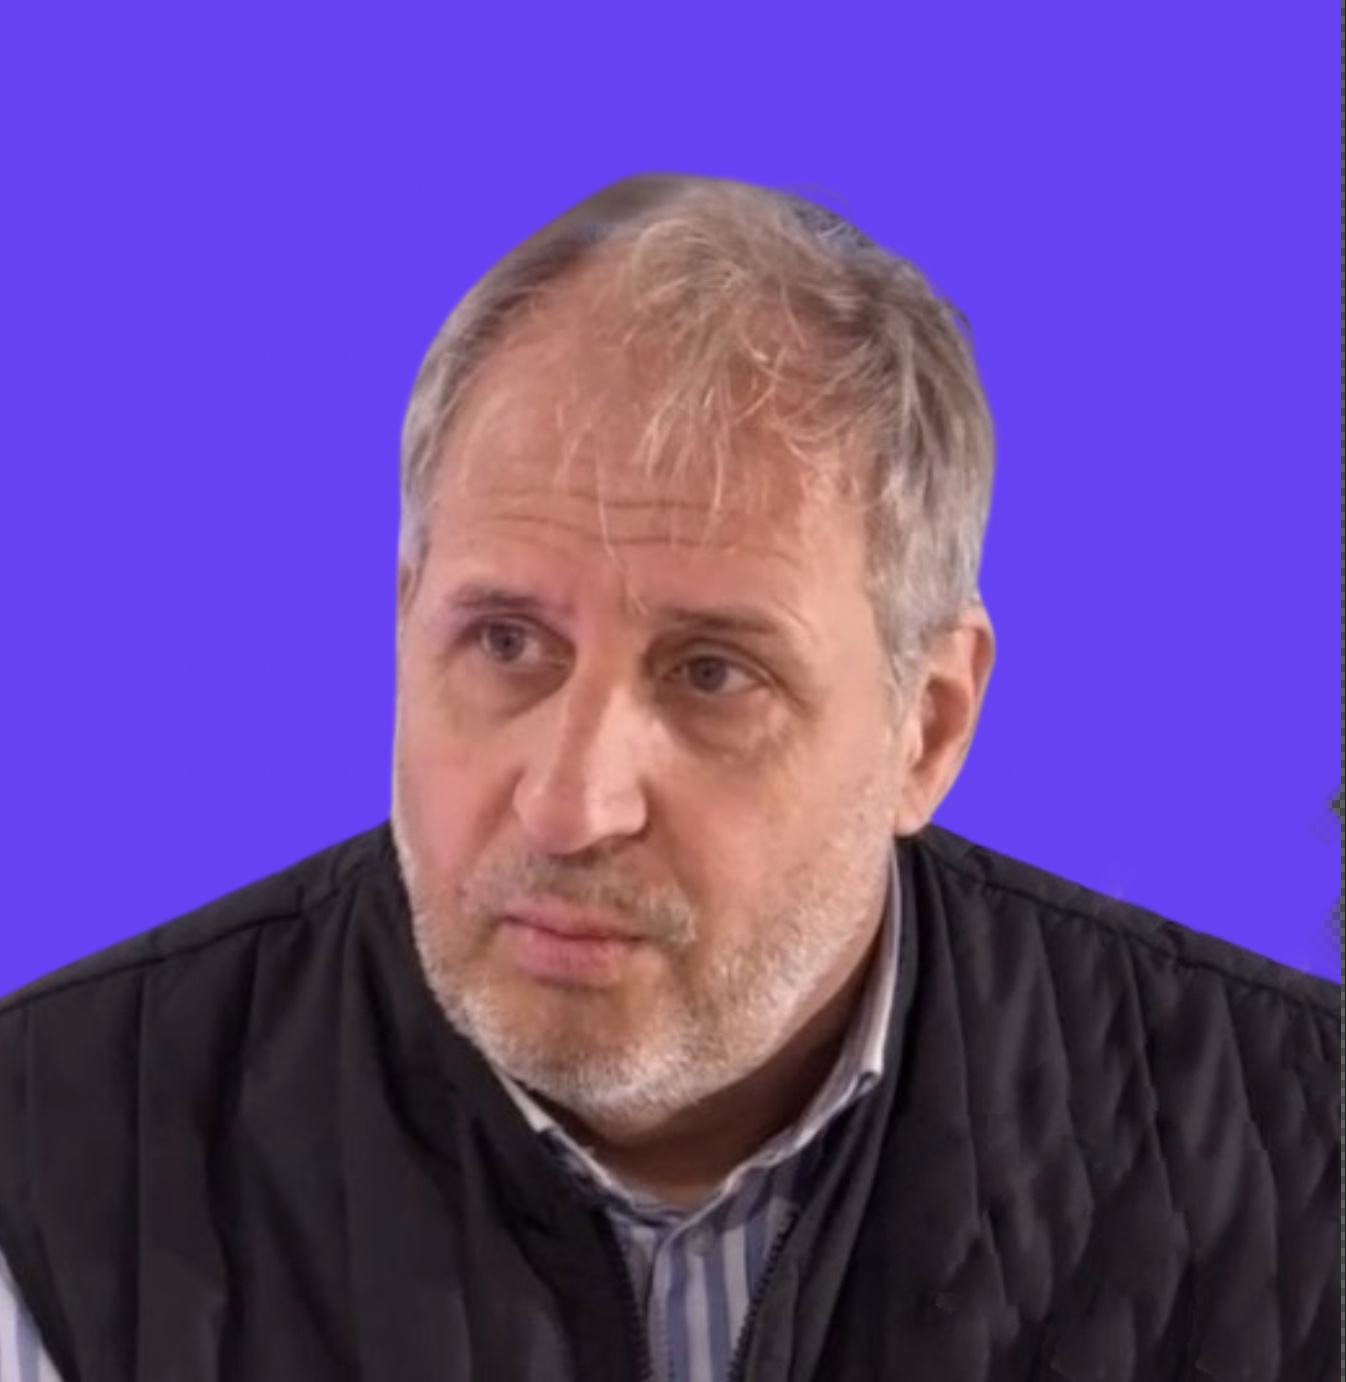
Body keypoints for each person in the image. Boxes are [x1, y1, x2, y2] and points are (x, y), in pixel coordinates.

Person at [0, 174, 1338, 1382]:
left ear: (926, 727)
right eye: (506, 642)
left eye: (711, 673)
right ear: (404, 622)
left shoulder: (1303, 1162)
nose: (571, 803)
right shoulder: (45, 1170)